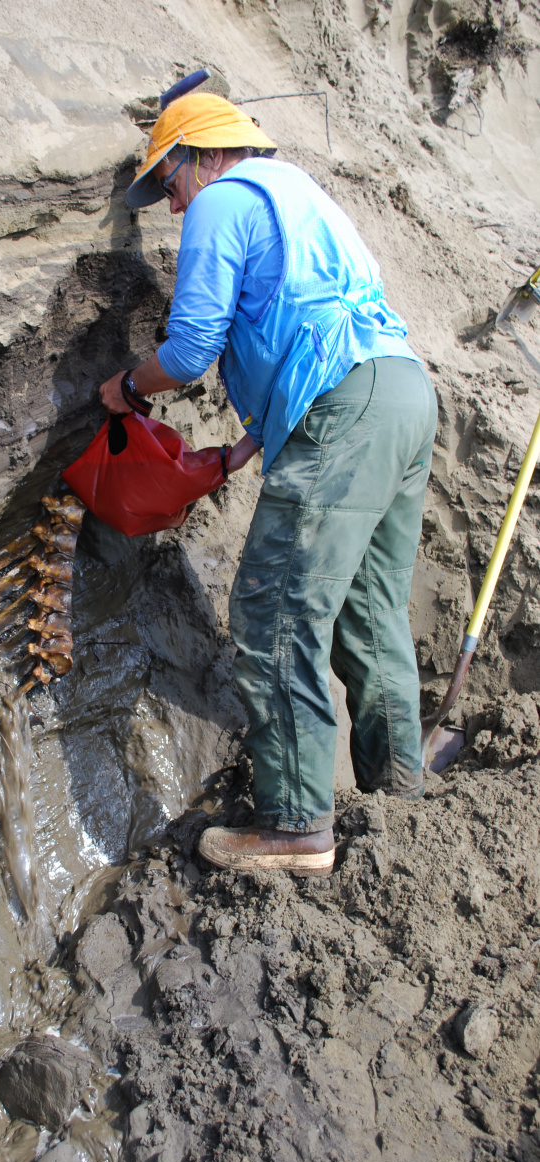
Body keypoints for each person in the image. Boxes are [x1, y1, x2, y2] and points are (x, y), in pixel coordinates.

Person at [99, 93, 437, 877]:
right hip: (400, 394)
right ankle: (400, 798)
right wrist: (260, 433)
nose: (176, 207)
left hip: (344, 408)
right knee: (369, 610)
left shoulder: (224, 198)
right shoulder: (299, 193)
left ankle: (294, 826)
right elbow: (315, 315)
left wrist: (129, 387)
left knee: (274, 607)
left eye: (169, 184)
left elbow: (188, 350)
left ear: (199, 155)